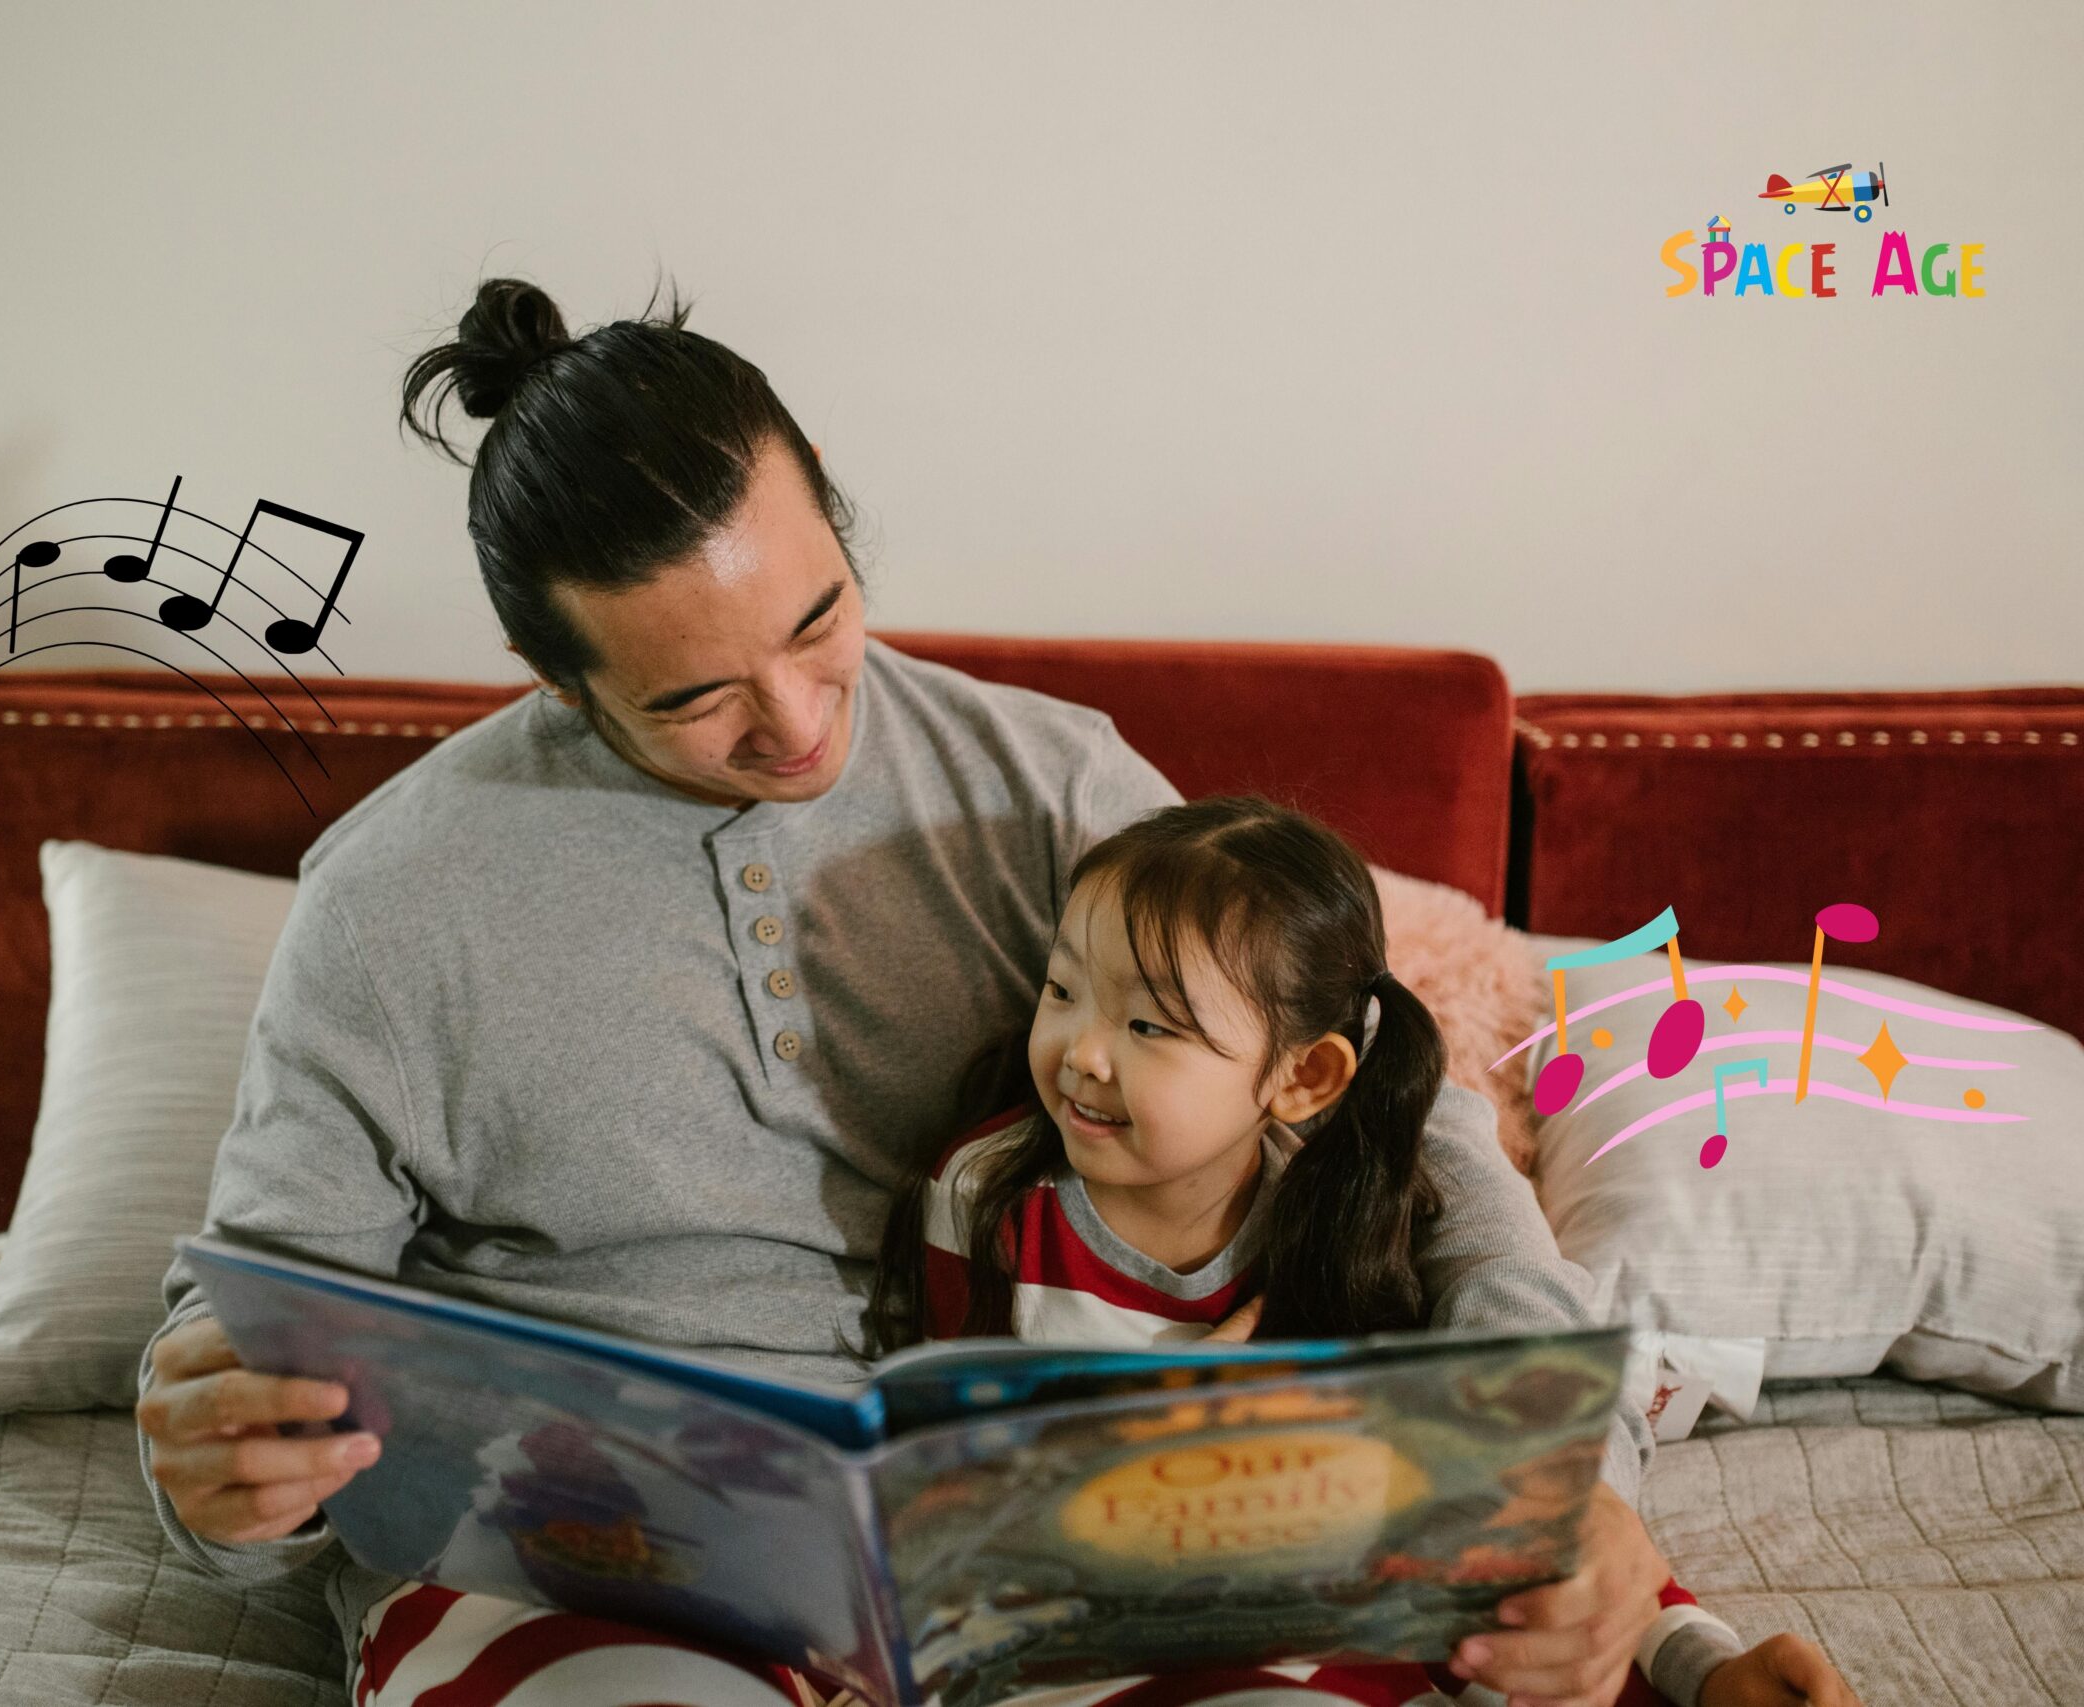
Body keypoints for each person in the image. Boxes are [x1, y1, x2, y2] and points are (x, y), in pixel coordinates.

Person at [130, 274, 1802, 1706]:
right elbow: (257, 1318)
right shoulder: (394, 899)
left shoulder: (1043, 779)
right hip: (597, 1559)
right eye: (699, 696)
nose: (796, 722)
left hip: (1057, 1552)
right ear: (561, 684)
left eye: (821, 617)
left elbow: (1374, 1083)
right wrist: (216, 1456)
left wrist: (1552, 1452)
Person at [855, 795, 1861, 1707]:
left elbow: (1528, 1520)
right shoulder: (986, 1203)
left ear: (1303, 1078)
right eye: (1062, 990)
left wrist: (1698, 1662)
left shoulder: (1366, 1218)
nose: (1079, 1050)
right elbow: (951, 1489)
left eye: (1149, 1024)